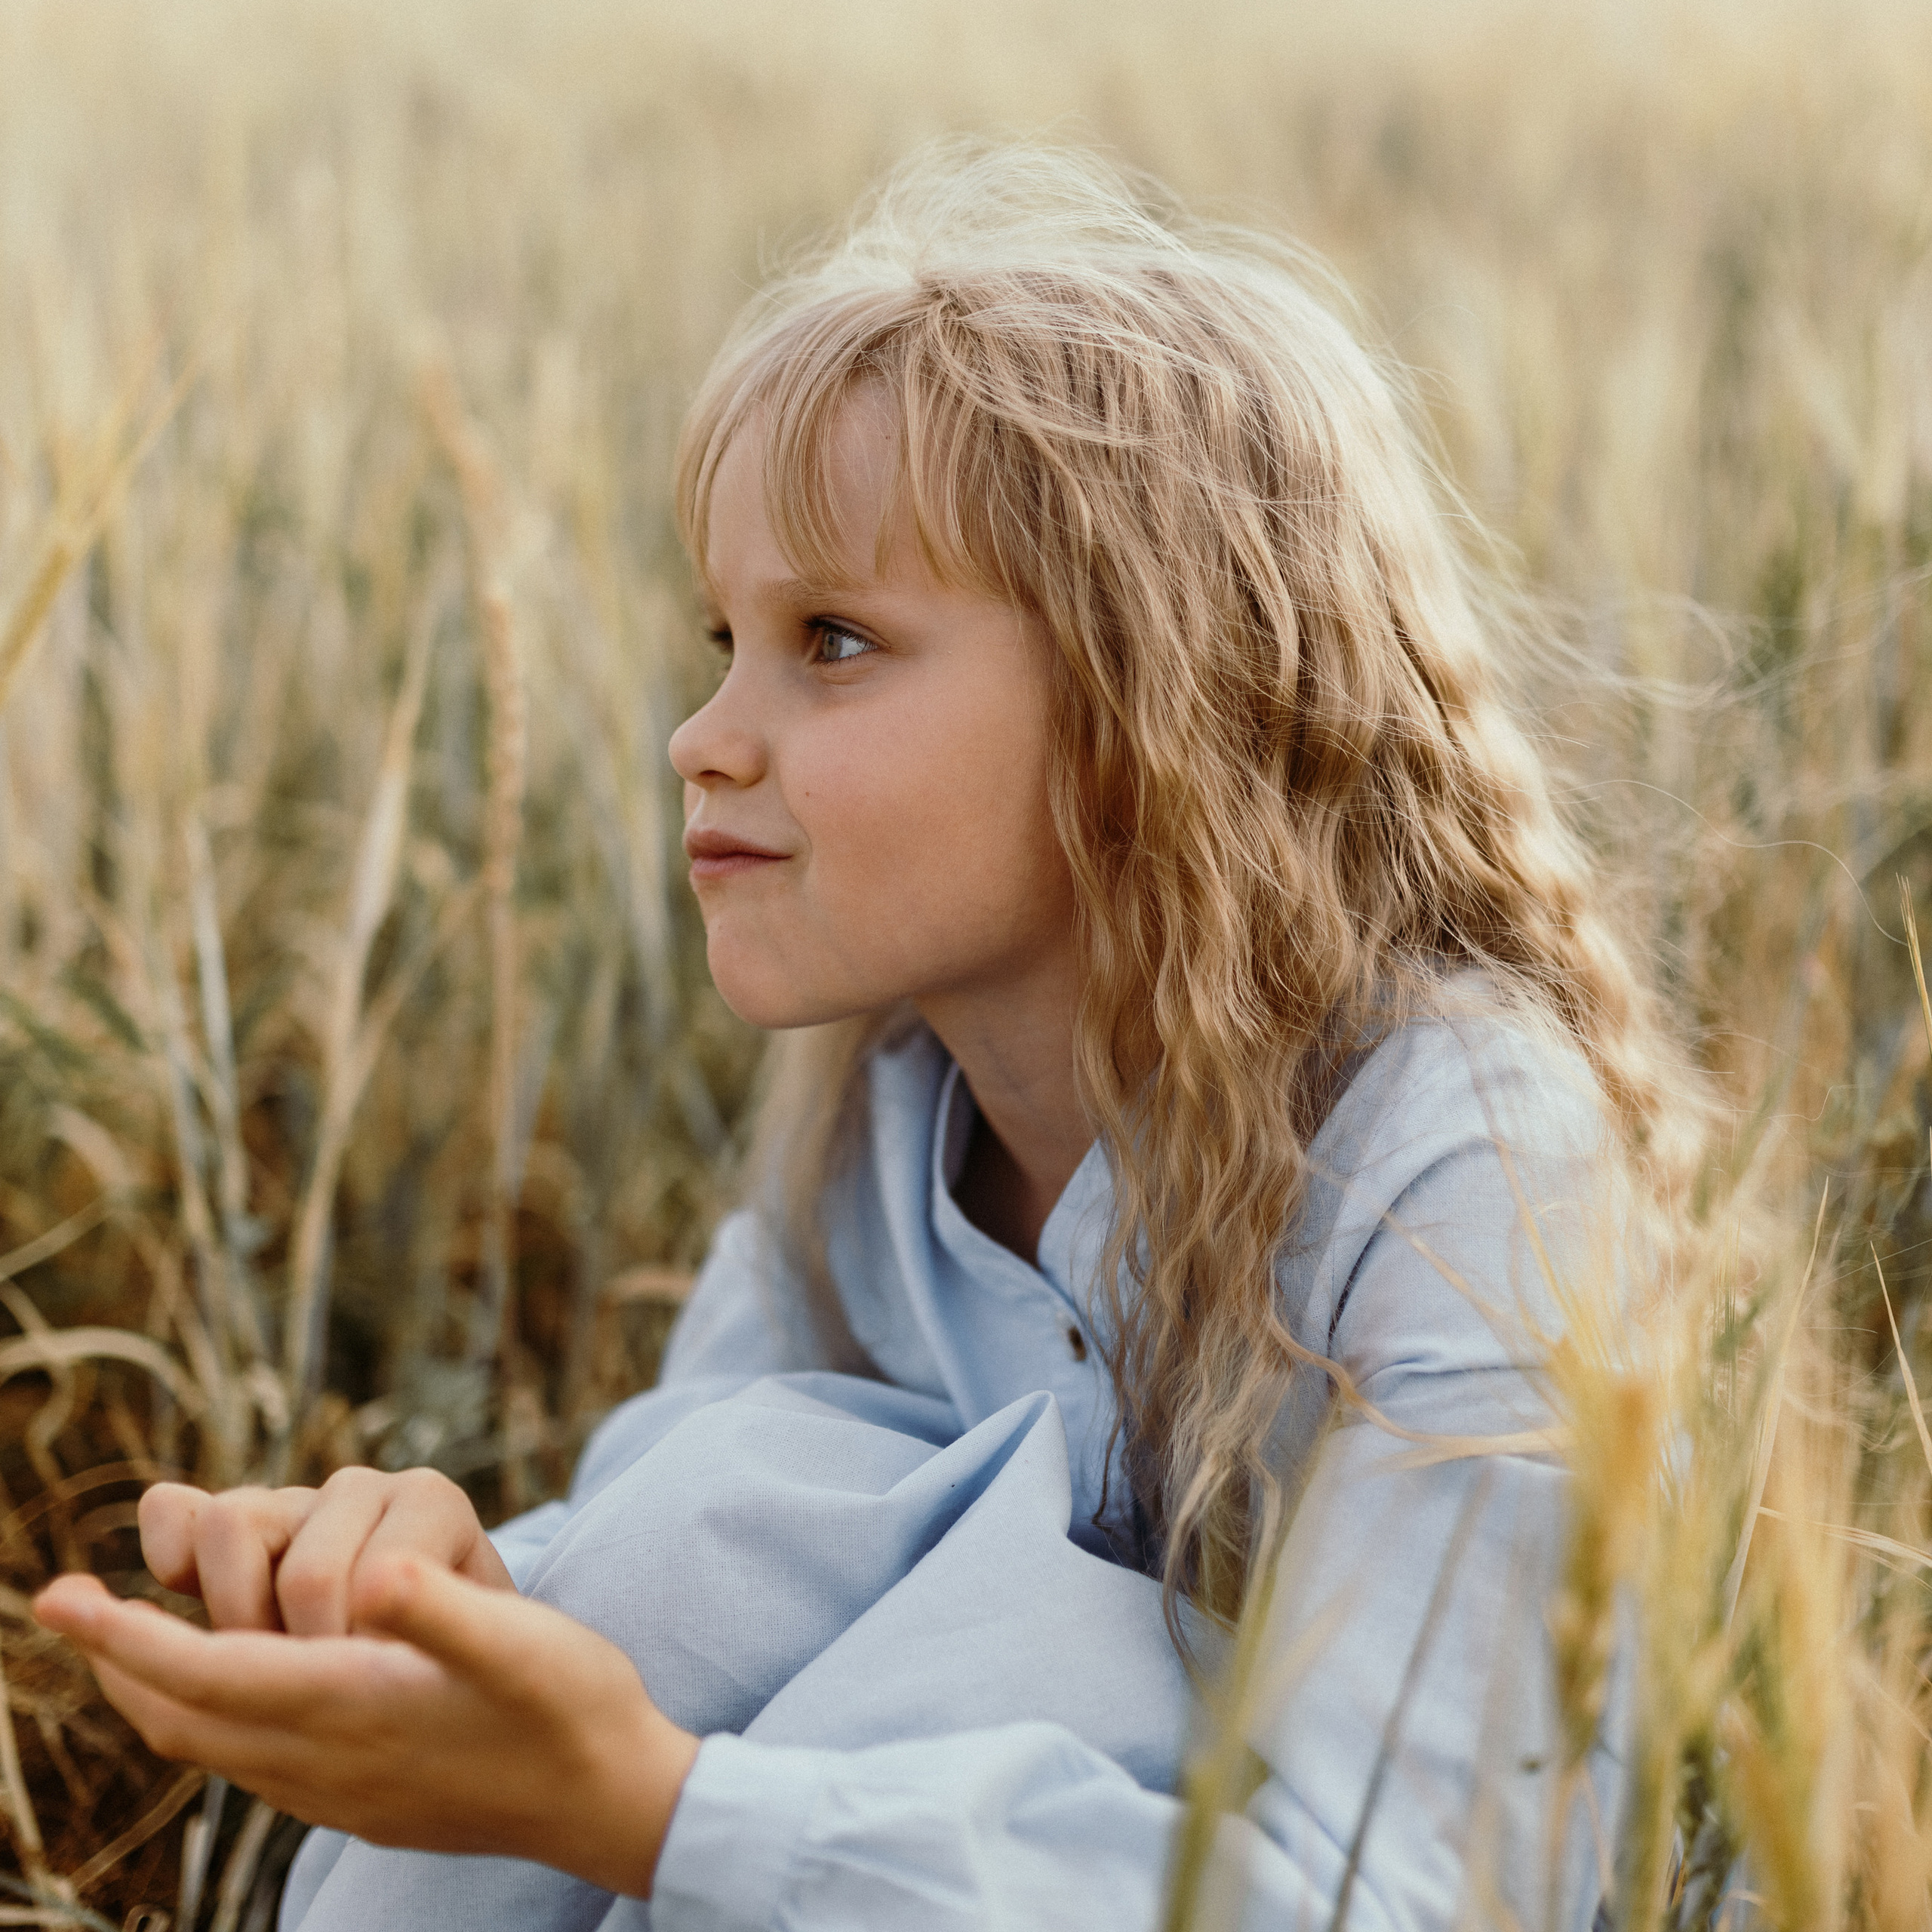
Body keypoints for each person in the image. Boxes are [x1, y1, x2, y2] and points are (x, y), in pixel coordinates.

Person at [35, 144, 1687, 1930]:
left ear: (1150, 709)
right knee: (744, 1491)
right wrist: (450, 1589)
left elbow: (1419, 1896)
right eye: (720, 637)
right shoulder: (878, 1112)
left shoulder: (1462, 1155)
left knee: (952, 1605)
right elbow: (681, 1563)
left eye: (828, 640)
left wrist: (657, 1811)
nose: (701, 734)